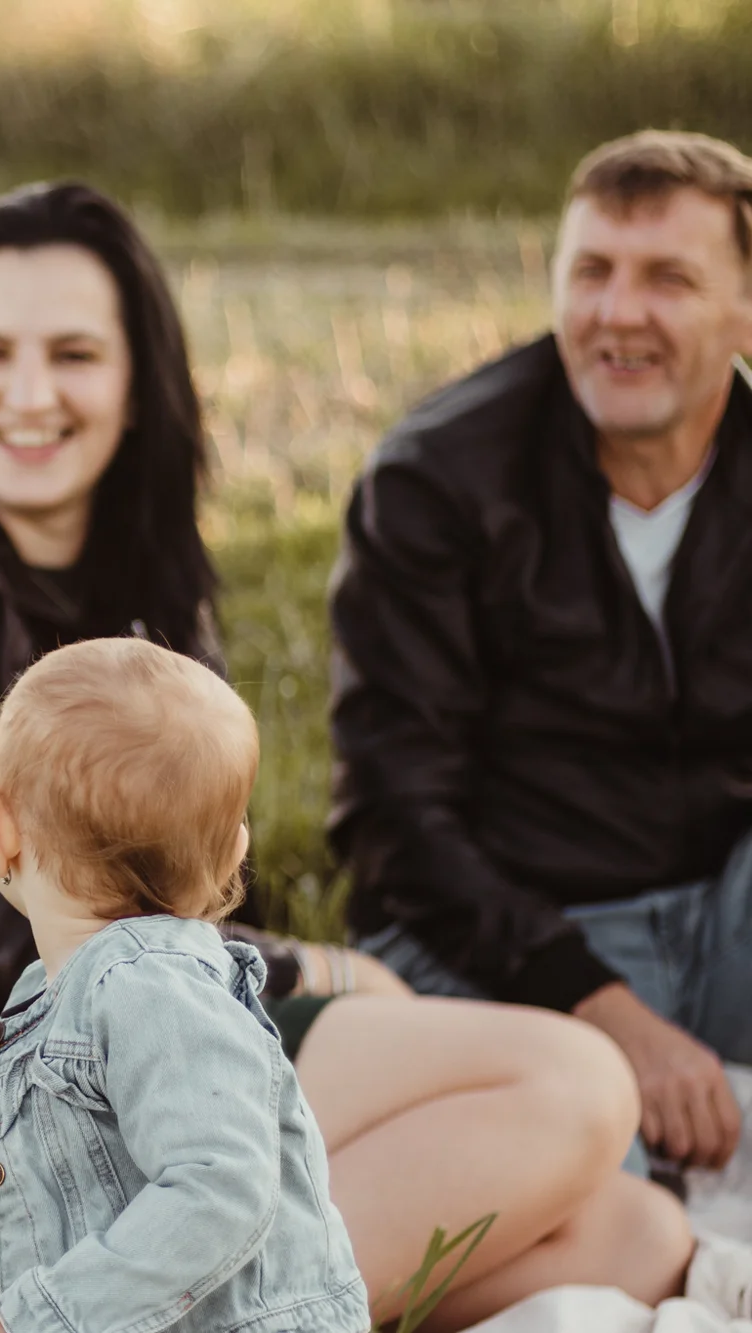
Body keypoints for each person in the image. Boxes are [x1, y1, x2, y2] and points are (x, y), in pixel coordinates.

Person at [0, 181, 702, 1328]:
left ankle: (144, 1290)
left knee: (633, 1235)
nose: (29, 393)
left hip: (138, 1026)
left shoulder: (129, 554)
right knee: (571, 1084)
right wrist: (307, 969)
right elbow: (0, 907)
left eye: (75, 353)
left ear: (137, 375)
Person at [332, 130, 752, 1180]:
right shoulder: (436, 480)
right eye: (590, 272)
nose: (617, 312)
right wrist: (612, 1016)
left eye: (667, 278)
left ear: (743, 307)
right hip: (512, 936)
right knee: (557, 1189)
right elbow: (391, 817)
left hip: (724, 916)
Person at [0, 638, 370, 1333]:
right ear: (232, 856)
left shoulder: (151, 988)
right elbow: (31, 1194)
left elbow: (220, 1188)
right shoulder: (61, 994)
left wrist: (12, 1322)